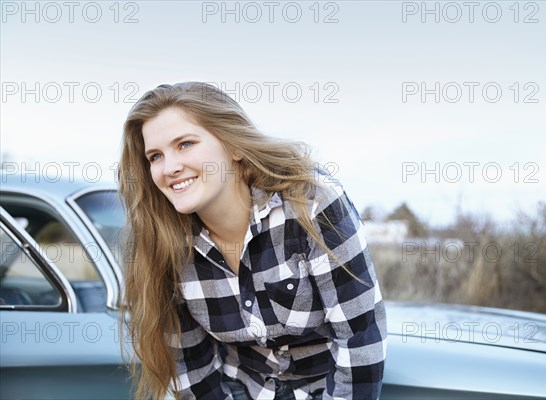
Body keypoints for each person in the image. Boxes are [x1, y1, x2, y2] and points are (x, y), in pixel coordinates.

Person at [118, 82, 387, 400]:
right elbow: (192, 369)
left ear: (235, 147)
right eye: (155, 156)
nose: (170, 168)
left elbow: (359, 339)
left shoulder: (311, 203)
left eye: (186, 144)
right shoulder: (160, 238)